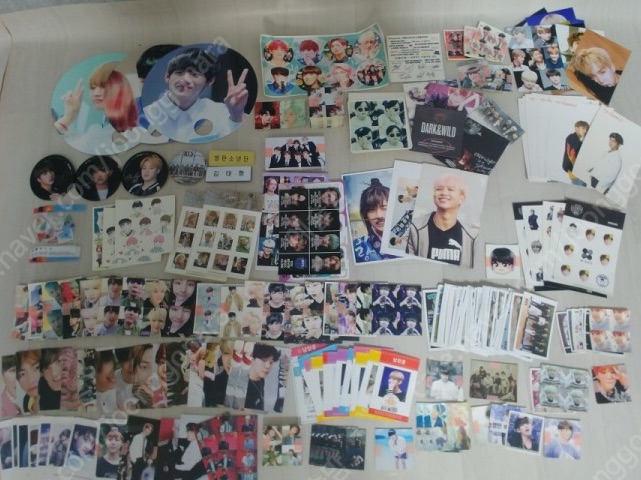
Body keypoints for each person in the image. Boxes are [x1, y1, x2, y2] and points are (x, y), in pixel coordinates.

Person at [144, 47, 249, 143]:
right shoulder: (148, 114)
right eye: (179, 72)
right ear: (167, 76)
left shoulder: (221, 112)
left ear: (209, 81)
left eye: (194, 74)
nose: (185, 79)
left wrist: (236, 115)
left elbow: (238, 143)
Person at [53, 62, 141, 154]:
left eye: (104, 86)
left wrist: (68, 118)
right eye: (93, 87)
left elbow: (70, 150)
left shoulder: (108, 132)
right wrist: (70, 116)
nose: (96, 93)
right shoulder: (103, 127)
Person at [406, 174, 475, 267]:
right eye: (439, 189)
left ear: (461, 199)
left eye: (450, 189)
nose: (444, 193)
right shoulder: (413, 228)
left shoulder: (472, 238)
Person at [245, 344, 281, 411]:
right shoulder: (244, 386)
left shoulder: (261, 378)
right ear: (252, 360)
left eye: (271, 362)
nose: (268, 366)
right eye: (264, 360)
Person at [562, 120, 590, 186]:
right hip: (576, 172)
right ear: (576, 128)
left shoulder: (578, 141)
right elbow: (572, 154)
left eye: (586, 129)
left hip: (577, 171)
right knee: (579, 190)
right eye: (583, 128)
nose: (585, 131)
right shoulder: (571, 137)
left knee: (579, 189)